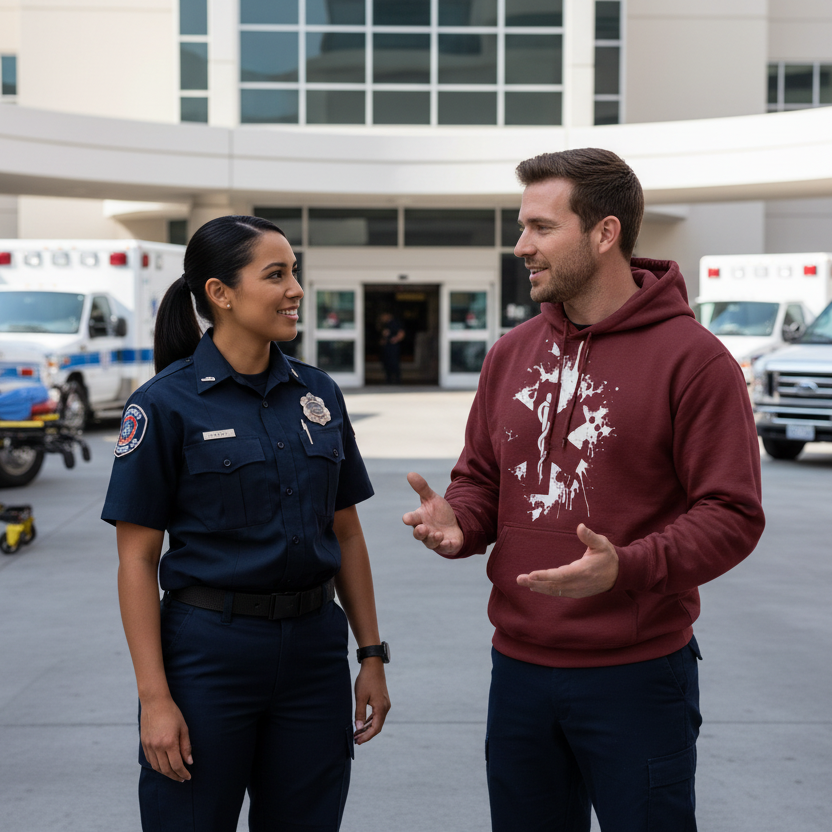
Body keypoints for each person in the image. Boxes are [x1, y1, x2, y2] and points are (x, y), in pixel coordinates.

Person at [403, 149, 765, 832]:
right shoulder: (511, 352)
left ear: (605, 233)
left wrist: (626, 568)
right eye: (522, 227)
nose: (521, 246)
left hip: (637, 676)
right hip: (518, 671)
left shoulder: (693, 360)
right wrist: (462, 523)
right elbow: (481, 477)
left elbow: (732, 514)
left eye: (542, 228)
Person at [102, 215, 390, 832]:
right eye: (276, 275)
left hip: (314, 653)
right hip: (210, 654)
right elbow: (136, 561)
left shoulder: (319, 395)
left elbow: (346, 533)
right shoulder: (163, 404)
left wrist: (370, 655)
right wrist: (155, 699)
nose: (296, 290)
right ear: (220, 293)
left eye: (295, 274)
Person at [378, 310, 405, 384]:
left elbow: (401, 333)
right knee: (386, 363)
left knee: (394, 363)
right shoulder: (384, 324)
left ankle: (397, 379)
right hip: (386, 346)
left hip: (393, 347)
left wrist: (395, 339)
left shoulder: (395, 323)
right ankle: (389, 379)